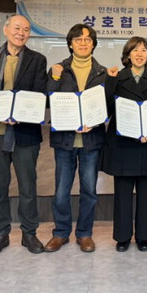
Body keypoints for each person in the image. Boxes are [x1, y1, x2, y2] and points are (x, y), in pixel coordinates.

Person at [0, 15, 47, 257]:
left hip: (25, 134)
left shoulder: (37, 59)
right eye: (17, 28)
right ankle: (0, 233)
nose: (21, 33)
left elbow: (39, 93)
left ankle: (29, 233)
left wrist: (20, 114)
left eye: (26, 29)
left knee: (28, 186)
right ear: (5, 29)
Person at [100, 36, 147, 252]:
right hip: (122, 142)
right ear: (127, 55)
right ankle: (122, 236)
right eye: (135, 50)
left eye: (143, 50)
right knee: (122, 192)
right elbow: (106, 109)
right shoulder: (116, 77)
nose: (139, 54)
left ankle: (144, 236)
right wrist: (110, 81)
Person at [44, 24, 107, 254]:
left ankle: (84, 233)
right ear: (70, 44)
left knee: (89, 190)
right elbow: (47, 100)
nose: (83, 43)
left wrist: (97, 120)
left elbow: (108, 105)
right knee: (62, 190)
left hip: (92, 140)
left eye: (87, 39)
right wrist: (54, 78)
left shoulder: (102, 72)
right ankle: (61, 233)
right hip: (65, 140)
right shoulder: (58, 69)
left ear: (93, 44)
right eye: (78, 39)